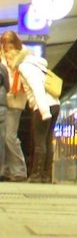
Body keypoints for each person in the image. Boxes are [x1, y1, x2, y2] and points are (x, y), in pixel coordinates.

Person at [2, 31, 60, 183]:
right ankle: (46, 175)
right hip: (53, 103)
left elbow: (37, 88)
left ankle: (35, 175)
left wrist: (44, 111)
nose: (7, 58)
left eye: (8, 53)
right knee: (47, 141)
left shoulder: (25, 67)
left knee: (39, 141)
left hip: (43, 105)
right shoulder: (35, 63)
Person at [0, 31, 29, 181]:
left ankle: (19, 170)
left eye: (10, 45)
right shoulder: (1, 57)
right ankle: (6, 170)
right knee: (3, 137)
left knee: (10, 136)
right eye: (5, 45)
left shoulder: (23, 57)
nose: (7, 48)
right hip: (4, 101)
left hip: (16, 99)